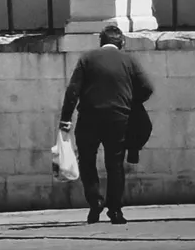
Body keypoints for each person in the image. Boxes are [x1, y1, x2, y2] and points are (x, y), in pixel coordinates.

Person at [59, 22, 153, 225]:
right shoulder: (128, 60)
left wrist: (66, 118)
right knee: (115, 164)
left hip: (89, 118)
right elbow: (147, 88)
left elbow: (73, 90)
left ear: (101, 41)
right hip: (118, 118)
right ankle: (116, 211)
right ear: (122, 43)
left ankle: (95, 203)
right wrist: (131, 101)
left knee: (87, 161)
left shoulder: (87, 58)